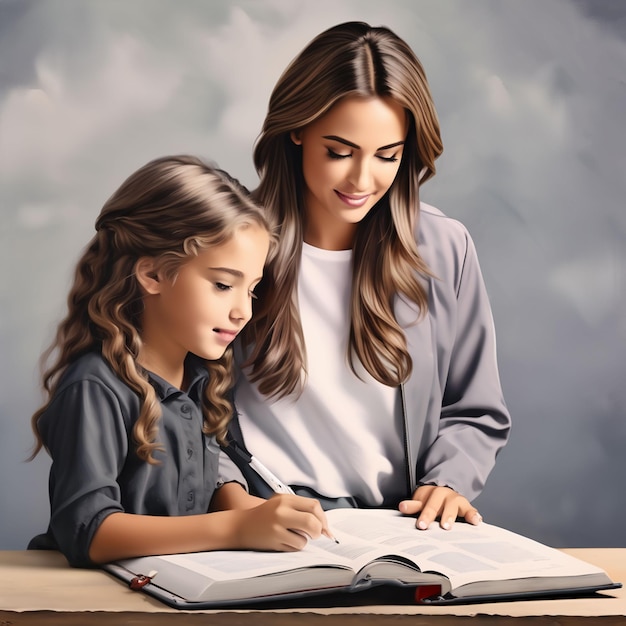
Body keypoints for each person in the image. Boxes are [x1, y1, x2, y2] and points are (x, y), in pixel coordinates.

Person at [227, 22, 512, 531]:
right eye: (339, 152)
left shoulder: (445, 251)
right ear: (297, 130)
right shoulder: (229, 245)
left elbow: (475, 409)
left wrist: (447, 481)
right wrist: (234, 505)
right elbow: (181, 406)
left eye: (388, 156)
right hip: (261, 521)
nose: (362, 181)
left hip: (397, 529)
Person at [28, 155, 330, 568]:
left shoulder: (204, 378)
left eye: (252, 290)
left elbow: (209, 486)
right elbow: (89, 531)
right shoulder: (94, 387)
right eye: (223, 285)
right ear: (152, 275)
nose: (243, 310)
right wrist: (236, 529)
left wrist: (248, 509)